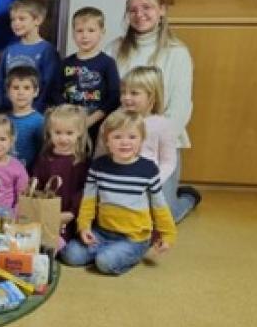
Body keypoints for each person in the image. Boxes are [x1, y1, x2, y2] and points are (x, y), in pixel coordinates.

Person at [105, 0, 198, 206]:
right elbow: (107, 98)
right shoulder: (114, 48)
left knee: (160, 218)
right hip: (121, 141)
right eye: (133, 10)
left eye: (147, 7)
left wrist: (145, 141)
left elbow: (180, 108)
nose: (139, 15)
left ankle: (188, 199)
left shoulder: (177, 52)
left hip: (158, 143)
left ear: (162, 10)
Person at [63, 110, 177, 275]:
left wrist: (168, 235)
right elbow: (88, 201)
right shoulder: (98, 166)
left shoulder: (149, 170)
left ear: (141, 140)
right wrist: (84, 227)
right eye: (117, 137)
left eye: (132, 137)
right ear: (107, 141)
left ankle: (130, 254)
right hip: (101, 232)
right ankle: (108, 251)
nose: (125, 143)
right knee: (70, 255)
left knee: (104, 262)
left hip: (134, 238)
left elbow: (159, 206)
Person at [107, 66, 191, 222]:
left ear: (151, 97)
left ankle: (188, 198)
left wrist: (153, 182)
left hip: (150, 181)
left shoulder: (162, 125)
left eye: (134, 93)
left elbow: (168, 161)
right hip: (122, 179)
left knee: (166, 217)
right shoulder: (115, 120)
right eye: (123, 92)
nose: (126, 97)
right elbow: (104, 153)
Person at [57, 7, 120, 143]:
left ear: (102, 32)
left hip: (98, 123)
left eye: (91, 30)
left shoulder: (107, 63)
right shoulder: (66, 63)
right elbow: (54, 92)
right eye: (79, 31)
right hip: (70, 124)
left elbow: (115, 95)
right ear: (73, 33)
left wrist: (92, 119)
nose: (85, 36)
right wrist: (68, 114)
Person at [0, 0, 60, 113]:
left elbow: (49, 84)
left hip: (35, 113)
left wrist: (36, 110)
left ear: (37, 20)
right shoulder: (9, 50)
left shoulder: (47, 50)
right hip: (8, 112)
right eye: (13, 19)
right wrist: (2, 105)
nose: (16, 23)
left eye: (22, 19)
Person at [33, 104, 92, 238]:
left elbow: (84, 191)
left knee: (66, 250)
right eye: (58, 133)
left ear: (80, 132)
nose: (63, 138)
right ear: (50, 132)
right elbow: (37, 184)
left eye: (69, 133)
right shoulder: (45, 157)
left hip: (70, 217)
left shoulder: (82, 161)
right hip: (45, 214)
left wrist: (71, 213)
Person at [6, 65, 45, 170]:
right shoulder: (3, 120)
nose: (21, 93)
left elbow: (44, 154)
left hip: (30, 176)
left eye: (26, 88)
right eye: (15, 88)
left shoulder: (40, 122)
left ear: (36, 92)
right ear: (8, 92)